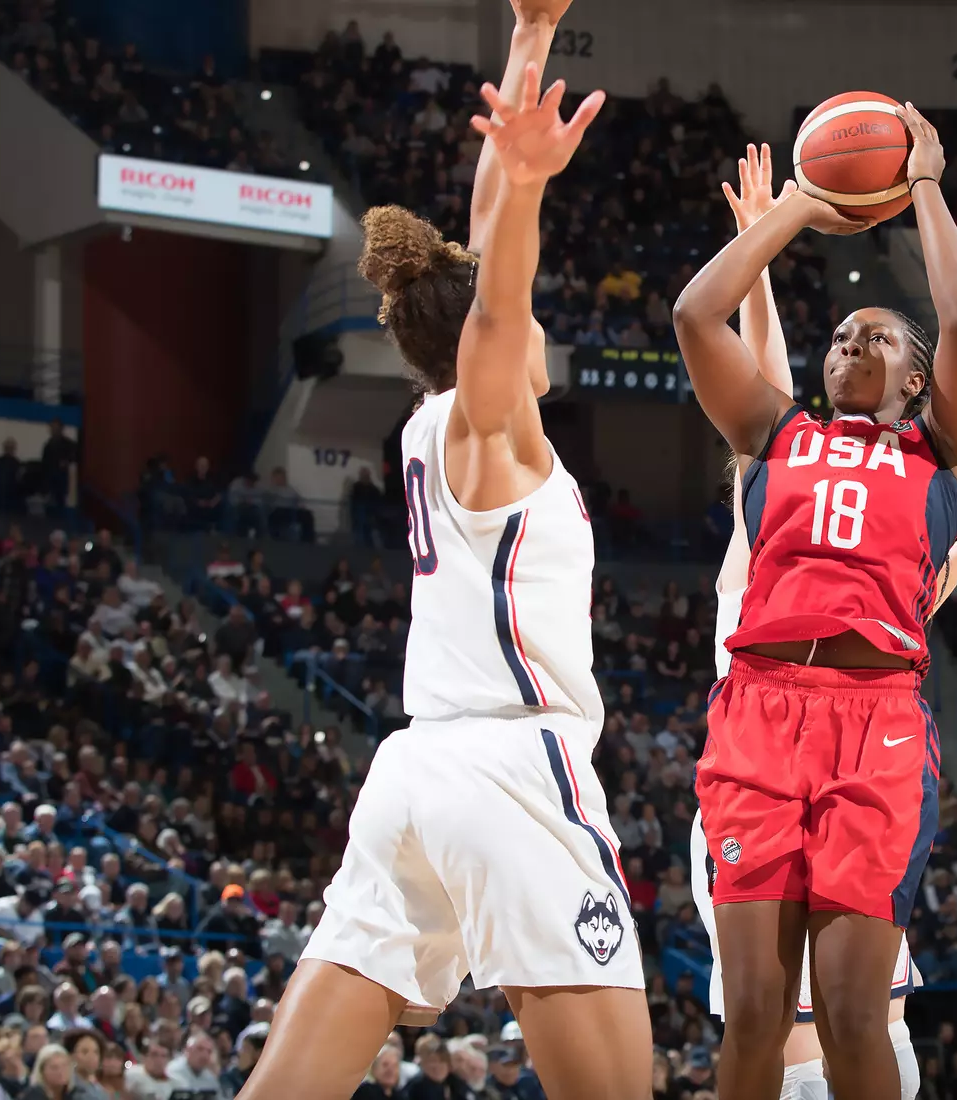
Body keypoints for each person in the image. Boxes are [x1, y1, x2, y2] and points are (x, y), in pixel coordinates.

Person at [238, 18, 644, 1100]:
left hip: (416, 773)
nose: (538, 326)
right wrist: (531, 191)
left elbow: (478, 249)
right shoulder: (486, 426)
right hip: (514, 768)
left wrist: (531, 32)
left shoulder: (436, 421)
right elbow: (498, 298)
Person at [676, 102, 957, 1100]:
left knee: (855, 1019)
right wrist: (795, 212)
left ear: (920, 378)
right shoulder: (777, 437)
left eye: (877, 337)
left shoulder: (943, 457)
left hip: (875, 723)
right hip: (759, 716)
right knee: (755, 1018)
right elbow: (695, 317)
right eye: (842, 336)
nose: (850, 343)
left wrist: (925, 185)